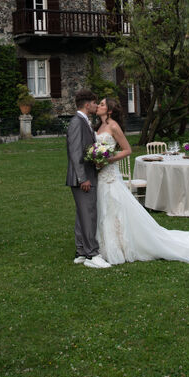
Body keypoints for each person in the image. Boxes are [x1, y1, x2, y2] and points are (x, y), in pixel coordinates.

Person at [94, 97, 189, 265]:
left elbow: (127, 150)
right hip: (100, 174)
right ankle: (103, 243)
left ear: (109, 110)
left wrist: (108, 159)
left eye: (102, 104)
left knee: (115, 206)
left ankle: (122, 244)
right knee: (104, 207)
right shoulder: (99, 126)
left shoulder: (113, 126)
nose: (98, 106)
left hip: (109, 173)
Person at [66, 89, 110, 269]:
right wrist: (83, 178)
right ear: (87, 104)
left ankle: (81, 252)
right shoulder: (77, 122)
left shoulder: (84, 121)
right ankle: (92, 254)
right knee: (89, 215)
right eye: (94, 103)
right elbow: (75, 151)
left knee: (82, 216)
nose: (96, 105)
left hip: (86, 175)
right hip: (82, 178)